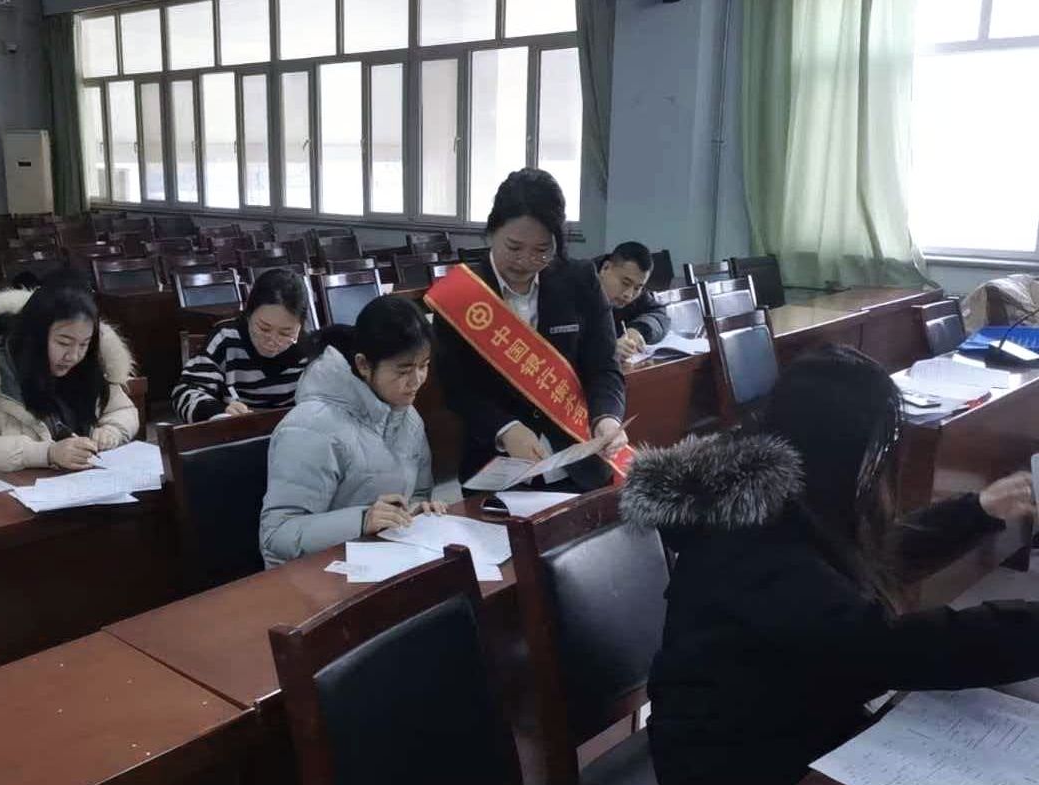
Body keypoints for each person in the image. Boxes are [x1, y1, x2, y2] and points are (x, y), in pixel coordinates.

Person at [620, 345, 1039, 785]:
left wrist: (977, 511)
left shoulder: (780, 499)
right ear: (838, 451)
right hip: (729, 759)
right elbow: (882, 647)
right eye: (878, 449)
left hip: (787, 715)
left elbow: (862, 561)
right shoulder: (750, 542)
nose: (878, 465)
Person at [433, 168, 627, 491]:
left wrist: (607, 418)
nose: (525, 261)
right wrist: (504, 428)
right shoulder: (460, 295)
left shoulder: (580, 281)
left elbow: (604, 367)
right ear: (492, 231)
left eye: (542, 250)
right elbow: (457, 388)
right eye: (514, 247)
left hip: (579, 466)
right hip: (497, 472)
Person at [260, 296, 445, 567]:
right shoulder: (310, 427)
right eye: (404, 370)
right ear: (364, 365)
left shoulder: (408, 417)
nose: (416, 381)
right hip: (312, 577)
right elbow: (277, 535)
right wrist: (362, 521)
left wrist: (418, 511)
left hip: (383, 561)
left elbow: (418, 492)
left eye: (424, 366)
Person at [0, 276, 139, 481]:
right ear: (34, 337)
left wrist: (111, 431)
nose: (73, 356)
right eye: (63, 343)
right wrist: (47, 453)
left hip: (81, 485)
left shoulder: (89, 366)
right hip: (10, 492)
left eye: (83, 344)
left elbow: (123, 411)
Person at [172, 268, 310, 422]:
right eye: (264, 328)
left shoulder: (311, 352)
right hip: (235, 431)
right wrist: (219, 411)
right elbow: (185, 393)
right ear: (248, 314)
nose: (273, 341)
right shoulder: (226, 339)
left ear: (300, 326)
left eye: (285, 333)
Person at [595, 241, 670, 361]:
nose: (629, 295)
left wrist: (639, 330)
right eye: (625, 283)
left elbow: (659, 314)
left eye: (637, 288)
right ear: (605, 268)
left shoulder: (635, 292)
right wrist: (605, 348)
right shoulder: (576, 286)